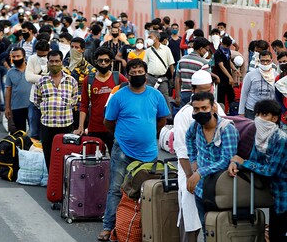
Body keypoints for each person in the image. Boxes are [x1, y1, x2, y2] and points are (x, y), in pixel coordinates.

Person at [98, 58, 169, 241]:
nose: (137, 75)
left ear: (146, 74)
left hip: (148, 153)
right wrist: (122, 137)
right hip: (123, 151)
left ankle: (144, 227)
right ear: (127, 75)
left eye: (140, 72)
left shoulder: (155, 95)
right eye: (133, 72)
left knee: (146, 191)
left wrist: (150, 133)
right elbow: (108, 122)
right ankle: (108, 227)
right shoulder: (119, 96)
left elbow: (162, 120)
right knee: (116, 189)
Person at [174, 70, 226, 242]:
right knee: (191, 218)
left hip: (216, 171)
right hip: (191, 169)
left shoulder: (218, 109)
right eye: (201, 90)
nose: (205, 93)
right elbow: (183, 151)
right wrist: (191, 177)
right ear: (193, 89)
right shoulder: (184, 115)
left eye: (208, 89)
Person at [228, 100, 287, 242]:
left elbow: (271, 171)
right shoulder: (260, 137)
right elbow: (254, 161)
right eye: (258, 114)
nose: (259, 118)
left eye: (264, 114)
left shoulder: (281, 139)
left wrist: (243, 162)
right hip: (275, 197)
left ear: (275, 118)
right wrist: (236, 162)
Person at [186, 92, 239, 241]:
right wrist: (193, 160)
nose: (200, 112)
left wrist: (199, 172)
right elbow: (188, 138)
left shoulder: (226, 129)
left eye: (204, 108)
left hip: (220, 190)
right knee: (207, 230)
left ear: (214, 108)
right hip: (201, 190)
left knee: (220, 230)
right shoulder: (196, 125)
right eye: (196, 109)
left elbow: (226, 160)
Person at [74, 47, 127, 152]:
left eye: (106, 60)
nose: (103, 63)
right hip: (94, 128)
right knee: (93, 163)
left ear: (111, 62)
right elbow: (84, 105)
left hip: (114, 128)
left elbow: (130, 95)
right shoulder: (88, 80)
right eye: (100, 60)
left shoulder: (118, 77)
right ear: (96, 62)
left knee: (116, 161)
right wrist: (81, 126)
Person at [34, 50, 78, 171]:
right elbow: (37, 101)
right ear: (47, 63)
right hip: (47, 125)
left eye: (57, 61)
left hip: (66, 124)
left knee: (66, 155)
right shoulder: (41, 81)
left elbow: (74, 100)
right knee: (49, 155)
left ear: (61, 62)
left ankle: (64, 184)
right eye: (51, 61)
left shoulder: (71, 81)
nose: (54, 64)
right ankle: (52, 184)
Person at [63, 37, 95, 129]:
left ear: (83, 50)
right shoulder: (64, 65)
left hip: (80, 108)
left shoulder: (90, 69)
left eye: (76, 47)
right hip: (64, 108)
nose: (73, 50)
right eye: (71, 47)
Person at [239, 50, 277, 119]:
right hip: (252, 111)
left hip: (269, 112)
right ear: (259, 61)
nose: (265, 63)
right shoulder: (250, 75)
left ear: (271, 61)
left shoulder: (276, 75)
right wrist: (241, 112)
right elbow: (244, 94)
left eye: (267, 61)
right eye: (263, 61)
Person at [175, 37, 211, 107]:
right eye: (206, 50)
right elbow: (207, 83)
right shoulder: (203, 63)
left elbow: (177, 79)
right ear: (201, 49)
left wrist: (178, 96)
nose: (206, 52)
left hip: (183, 94)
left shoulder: (182, 60)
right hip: (198, 96)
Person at [25, 39, 50, 140]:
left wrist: (37, 78)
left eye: (43, 55)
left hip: (49, 101)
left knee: (46, 133)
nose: (41, 57)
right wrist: (47, 78)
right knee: (34, 131)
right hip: (34, 100)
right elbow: (28, 77)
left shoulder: (54, 58)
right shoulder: (32, 59)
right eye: (39, 55)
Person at [143, 30, 175, 108]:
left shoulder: (166, 49)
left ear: (156, 38)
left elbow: (171, 65)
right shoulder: (147, 51)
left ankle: (168, 117)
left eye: (150, 37)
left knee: (164, 98)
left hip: (163, 78)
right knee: (149, 97)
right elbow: (144, 65)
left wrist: (172, 79)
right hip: (150, 78)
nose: (148, 39)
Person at [4, 47, 31, 132]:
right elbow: (8, 90)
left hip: (32, 106)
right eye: (14, 57)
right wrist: (7, 108)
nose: (16, 58)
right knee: (19, 133)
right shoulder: (10, 72)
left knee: (34, 133)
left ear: (24, 57)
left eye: (18, 56)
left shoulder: (32, 70)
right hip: (17, 107)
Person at [213, 36, 239, 110]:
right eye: (226, 45)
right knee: (221, 99)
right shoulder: (218, 53)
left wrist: (234, 69)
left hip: (228, 78)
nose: (227, 47)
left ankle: (233, 111)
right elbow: (221, 66)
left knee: (231, 96)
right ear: (222, 43)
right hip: (221, 79)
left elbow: (229, 61)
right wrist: (230, 77)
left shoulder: (228, 51)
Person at [275, 52, 287, 133]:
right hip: (285, 118)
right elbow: (278, 98)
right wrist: (285, 112)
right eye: (280, 62)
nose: (283, 64)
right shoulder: (278, 78)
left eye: (285, 61)